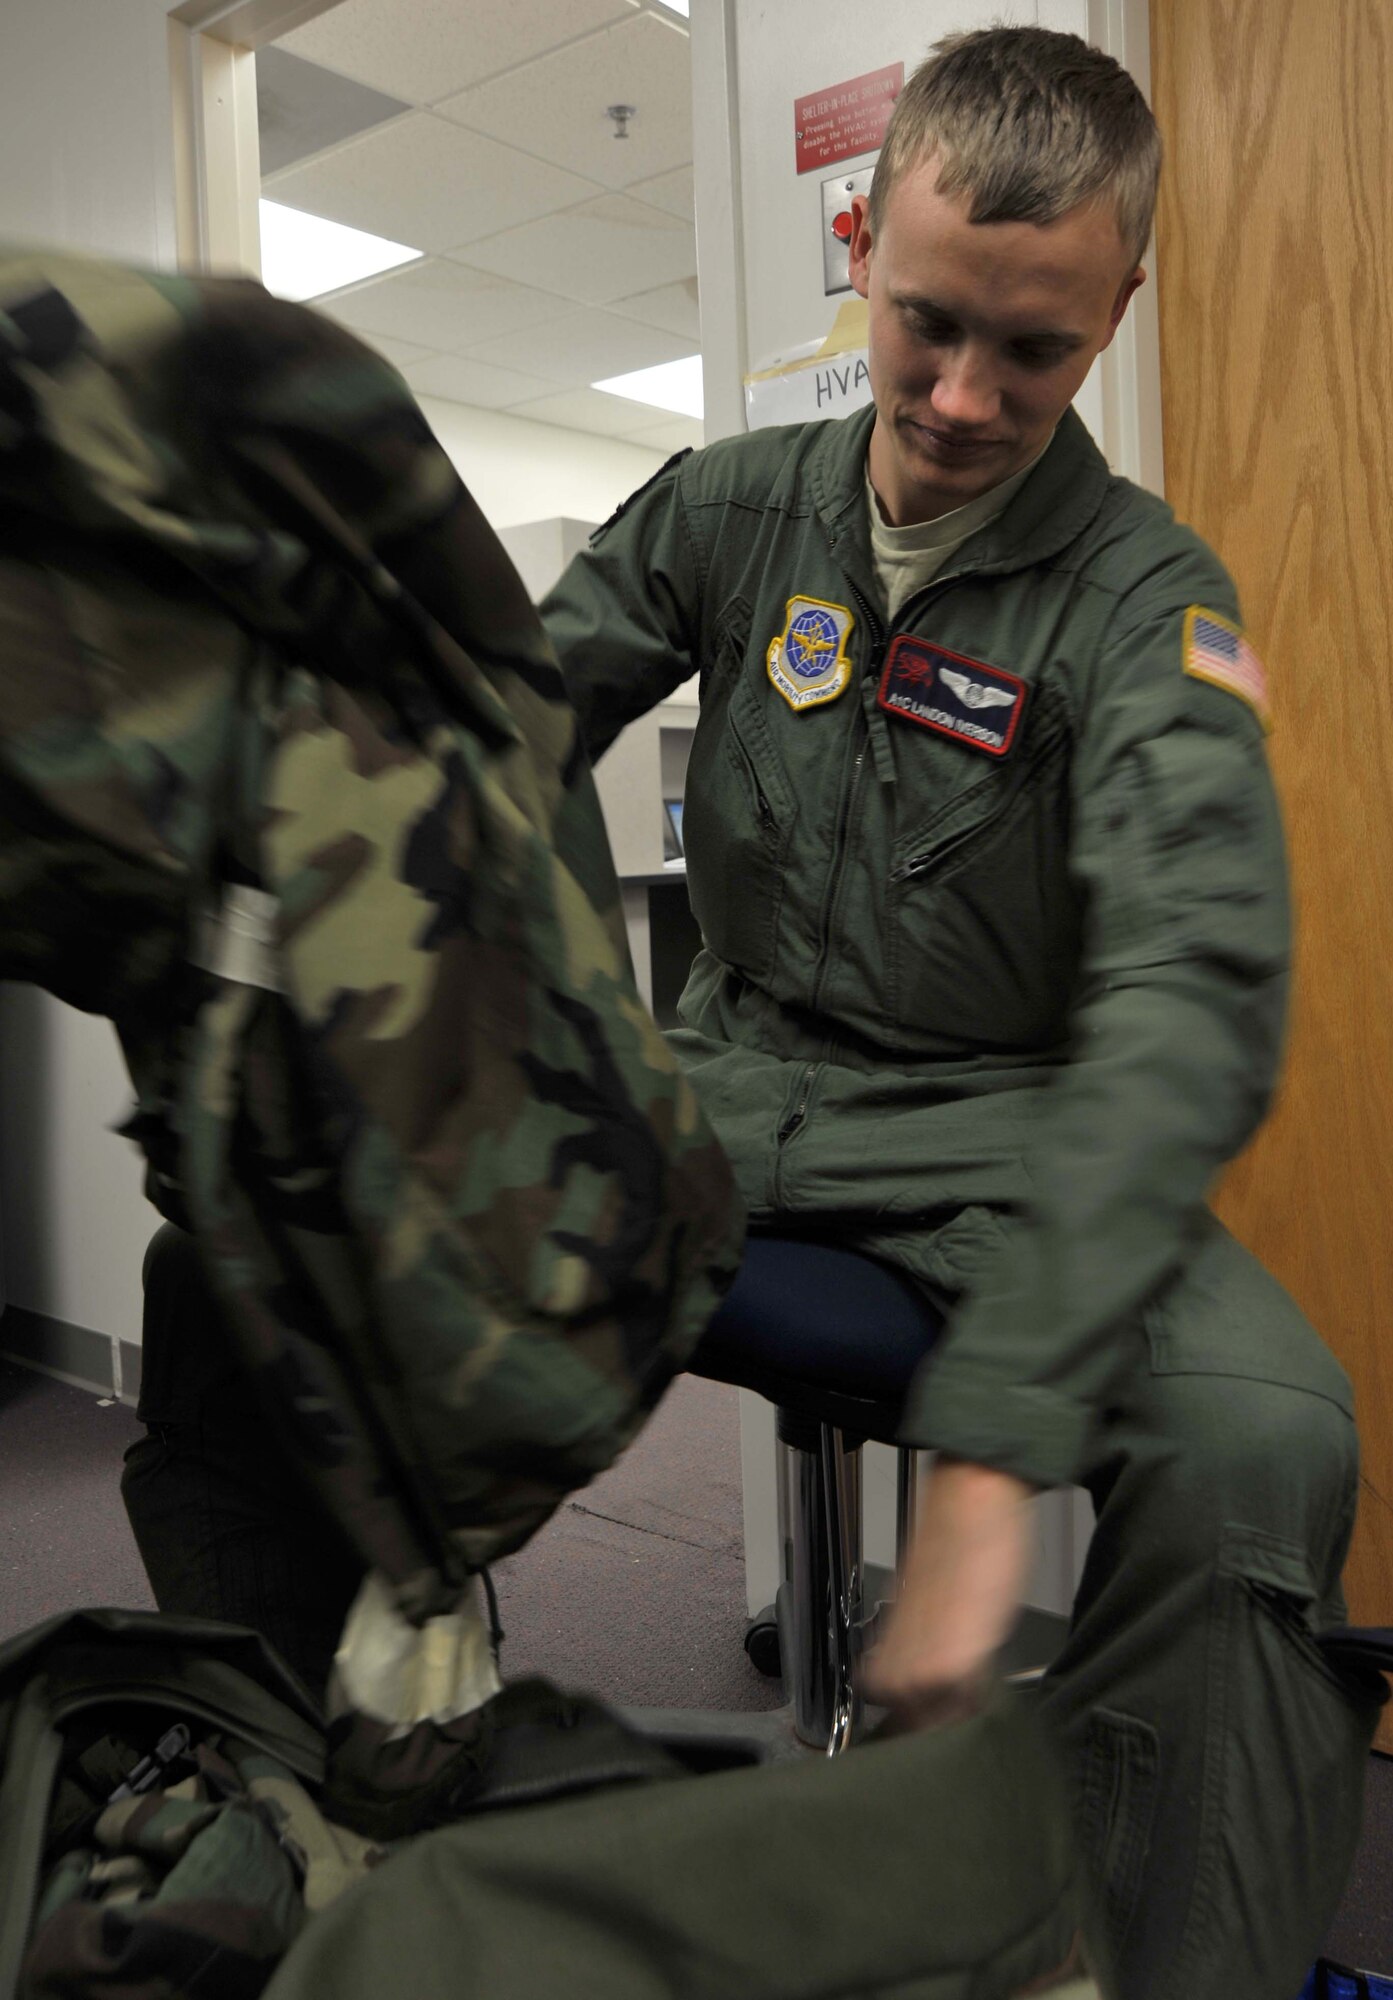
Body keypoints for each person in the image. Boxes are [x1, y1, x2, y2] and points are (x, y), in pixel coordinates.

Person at [539, 26, 1379, 2000]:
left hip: (1016, 1123)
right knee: (284, 1210)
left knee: (1263, 1442)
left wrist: (991, 1459)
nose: (960, 396)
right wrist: (535, 1004)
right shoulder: (732, 511)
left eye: (1036, 352)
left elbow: (1185, 1011)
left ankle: (1166, 1948)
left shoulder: (1145, 604)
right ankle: (285, 1769)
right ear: (860, 234)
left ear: (1117, 310)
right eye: (925, 325)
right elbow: (492, 733)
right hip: (720, 1078)